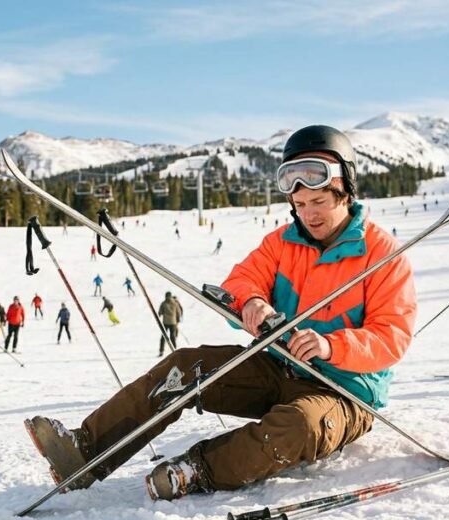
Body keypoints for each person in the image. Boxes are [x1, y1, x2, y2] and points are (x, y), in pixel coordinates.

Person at [25, 125, 416, 501]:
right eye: (299, 205)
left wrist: (331, 346)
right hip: (280, 368)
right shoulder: (283, 243)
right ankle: (85, 450)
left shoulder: (382, 254)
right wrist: (250, 302)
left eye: (319, 203)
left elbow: (391, 336)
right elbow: (241, 280)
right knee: (185, 366)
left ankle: (200, 469)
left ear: (344, 191)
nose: (309, 215)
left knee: (298, 427)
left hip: (344, 394)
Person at [157, 291, 183, 357]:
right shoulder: (175, 303)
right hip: (173, 322)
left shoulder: (163, 303)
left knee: (163, 337)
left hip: (165, 322)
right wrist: (177, 320)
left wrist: (160, 314)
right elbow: (178, 312)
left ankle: (161, 351)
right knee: (172, 336)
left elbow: (160, 312)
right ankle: (174, 350)